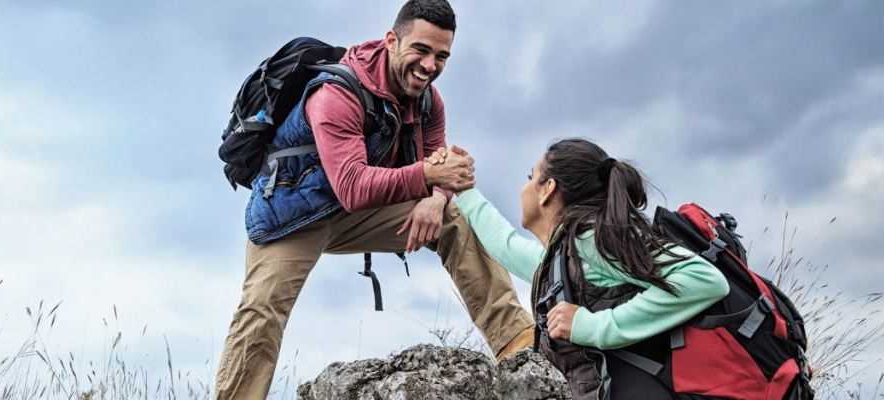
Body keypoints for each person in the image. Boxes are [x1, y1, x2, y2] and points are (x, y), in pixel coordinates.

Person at [214, 1, 535, 399]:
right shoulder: (336, 94)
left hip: (360, 214)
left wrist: (437, 197)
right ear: (391, 41)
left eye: (441, 56)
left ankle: (518, 344)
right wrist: (429, 176)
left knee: (456, 217)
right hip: (293, 216)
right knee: (261, 312)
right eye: (420, 50)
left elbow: (436, 163)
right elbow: (352, 185)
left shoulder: (429, 102)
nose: (430, 65)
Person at [435, 138, 730, 399]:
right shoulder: (565, 257)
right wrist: (465, 191)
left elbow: (704, 279)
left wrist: (594, 326)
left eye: (530, 177)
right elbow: (506, 246)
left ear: (547, 189)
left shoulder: (594, 240)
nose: (523, 186)